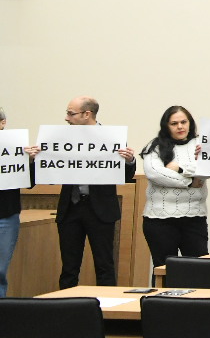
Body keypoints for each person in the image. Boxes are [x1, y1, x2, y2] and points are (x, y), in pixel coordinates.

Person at [27, 96, 136, 288]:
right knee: (69, 268)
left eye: (71, 113)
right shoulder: (59, 137)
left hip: (100, 210)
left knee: (104, 266)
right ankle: (67, 311)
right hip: (71, 208)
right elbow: (43, 174)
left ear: (87, 114)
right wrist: (36, 159)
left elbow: (125, 176)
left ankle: (107, 313)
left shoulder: (111, 137)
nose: (66, 118)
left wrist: (129, 161)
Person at [139, 105, 209, 269]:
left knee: (198, 270)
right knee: (164, 270)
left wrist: (179, 168)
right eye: (174, 123)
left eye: (184, 122)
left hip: (194, 218)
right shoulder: (155, 146)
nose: (180, 127)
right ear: (166, 126)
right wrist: (190, 182)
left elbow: (207, 171)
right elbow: (155, 174)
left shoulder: (200, 144)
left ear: (190, 123)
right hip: (159, 220)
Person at [0, 106, 30, 297]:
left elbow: (30, 184)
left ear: (2, 123)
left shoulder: (15, 148)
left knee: (0, 271)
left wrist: (31, 161)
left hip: (4, 215)